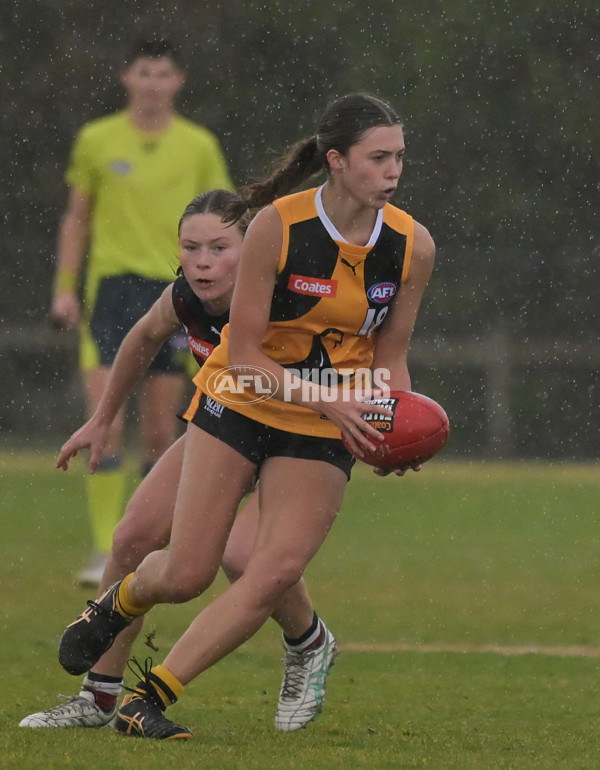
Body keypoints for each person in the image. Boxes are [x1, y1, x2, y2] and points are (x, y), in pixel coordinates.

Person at [57, 93, 436, 740]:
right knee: (184, 572)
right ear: (338, 162)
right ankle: (116, 608)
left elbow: (390, 357)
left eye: (399, 156)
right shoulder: (278, 228)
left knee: (270, 568)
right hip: (241, 401)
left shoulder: (413, 247)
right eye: (379, 158)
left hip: (323, 425)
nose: (394, 170)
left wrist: (392, 427)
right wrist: (104, 417)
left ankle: (147, 698)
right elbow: (250, 357)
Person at [21, 190, 334, 733]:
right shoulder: (186, 298)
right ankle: (97, 698)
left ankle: (309, 642)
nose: (203, 261)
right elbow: (143, 336)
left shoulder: (288, 299)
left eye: (220, 247)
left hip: (295, 440)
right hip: (225, 427)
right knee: (133, 535)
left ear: (256, 248)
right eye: (191, 247)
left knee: (242, 558)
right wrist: (102, 418)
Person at [50, 37, 234, 587]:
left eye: (163, 72)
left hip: (177, 293)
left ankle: (150, 537)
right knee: (103, 423)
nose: (153, 82)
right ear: (126, 78)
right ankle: (105, 545)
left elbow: (225, 221)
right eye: (143, 72)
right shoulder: (97, 139)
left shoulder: (198, 144)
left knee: (160, 432)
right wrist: (64, 286)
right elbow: (77, 218)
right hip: (111, 293)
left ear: (178, 81)